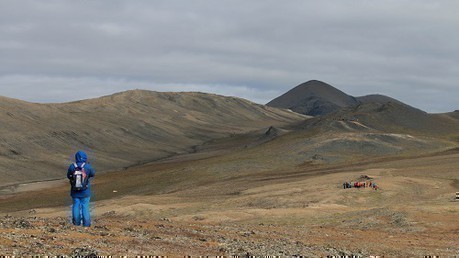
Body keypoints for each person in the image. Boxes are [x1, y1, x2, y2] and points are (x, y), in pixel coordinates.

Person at [67, 150, 95, 227]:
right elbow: (92, 174)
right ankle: (86, 224)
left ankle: (76, 223)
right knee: (85, 206)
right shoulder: (87, 166)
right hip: (85, 191)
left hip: (74, 191)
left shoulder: (72, 166)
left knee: (76, 205)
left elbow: (68, 176)